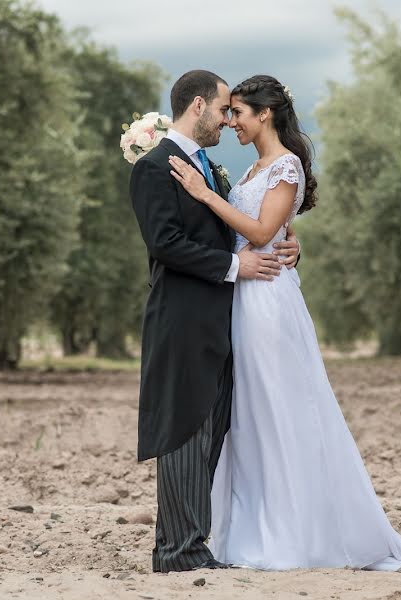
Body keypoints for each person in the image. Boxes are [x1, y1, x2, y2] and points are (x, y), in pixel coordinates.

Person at [168, 74, 401, 571]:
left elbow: (264, 231)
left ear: (264, 114)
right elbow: (260, 237)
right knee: (252, 417)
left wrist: (205, 195)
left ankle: (298, 532)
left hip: (267, 302)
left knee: (279, 408)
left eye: (238, 113)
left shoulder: (284, 167)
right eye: (228, 113)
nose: (231, 122)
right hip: (243, 298)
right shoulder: (250, 173)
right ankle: (255, 525)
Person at [128, 69, 301, 573]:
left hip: (226, 325)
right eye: (224, 110)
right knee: (184, 432)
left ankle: (187, 545)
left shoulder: (210, 169)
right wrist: (235, 266)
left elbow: (240, 231)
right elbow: (165, 243)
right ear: (199, 106)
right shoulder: (156, 166)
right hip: (182, 323)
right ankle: (177, 552)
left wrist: (283, 247)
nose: (228, 121)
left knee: (211, 431)